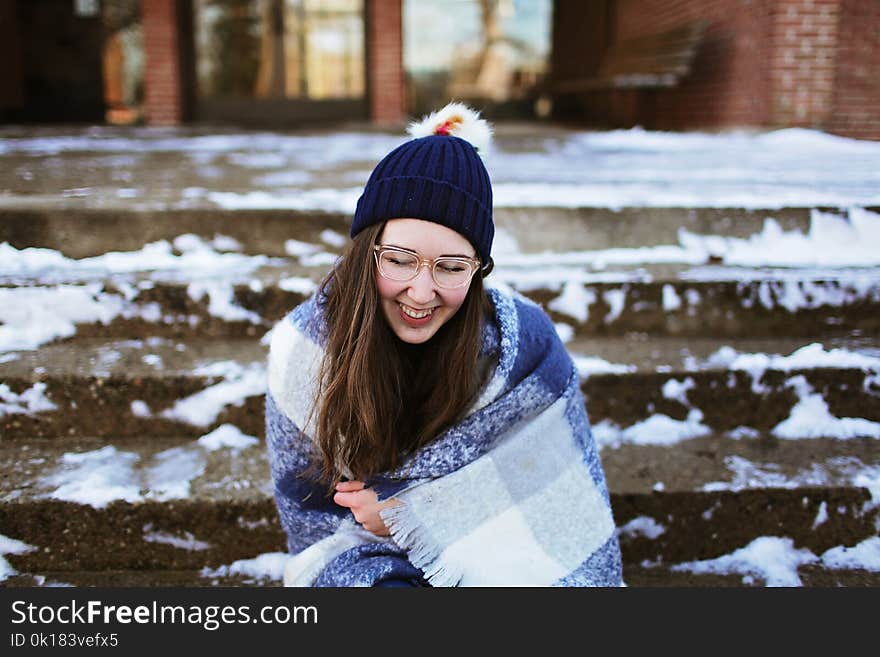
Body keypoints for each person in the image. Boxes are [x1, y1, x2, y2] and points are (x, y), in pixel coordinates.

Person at [265, 102, 623, 587]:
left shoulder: (522, 352)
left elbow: (556, 500)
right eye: (399, 259)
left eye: (451, 267)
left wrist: (414, 513)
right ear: (365, 253)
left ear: (477, 272)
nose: (420, 291)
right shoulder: (308, 352)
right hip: (361, 556)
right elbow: (315, 526)